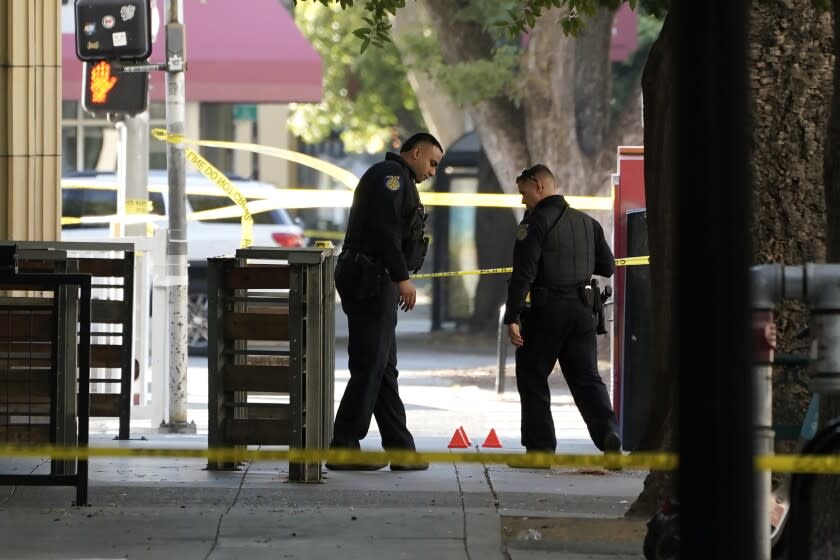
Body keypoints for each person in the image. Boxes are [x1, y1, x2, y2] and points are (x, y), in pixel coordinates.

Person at [326, 132, 444, 471]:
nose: (433, 171)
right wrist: (401, 277)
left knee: (383, 367)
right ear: (416, 153)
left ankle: (400, 448)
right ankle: (343, 446)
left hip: (375, 277)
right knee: (370, 364)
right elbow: (385, 231)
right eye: (432, 163)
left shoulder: (398, 180)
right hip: (371, 277)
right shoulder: (391, 178)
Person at [503, 163, 620, 460]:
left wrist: (512, 316)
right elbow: (607, 266)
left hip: (545, 311)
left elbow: (523, 274)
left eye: (523, 192)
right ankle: (609, 435)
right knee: (587, 379)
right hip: (582, 313)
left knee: (532, 376)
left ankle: (540, 450)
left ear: (539, 185)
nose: (522, 199)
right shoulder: (588, 223)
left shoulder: (534, 223)